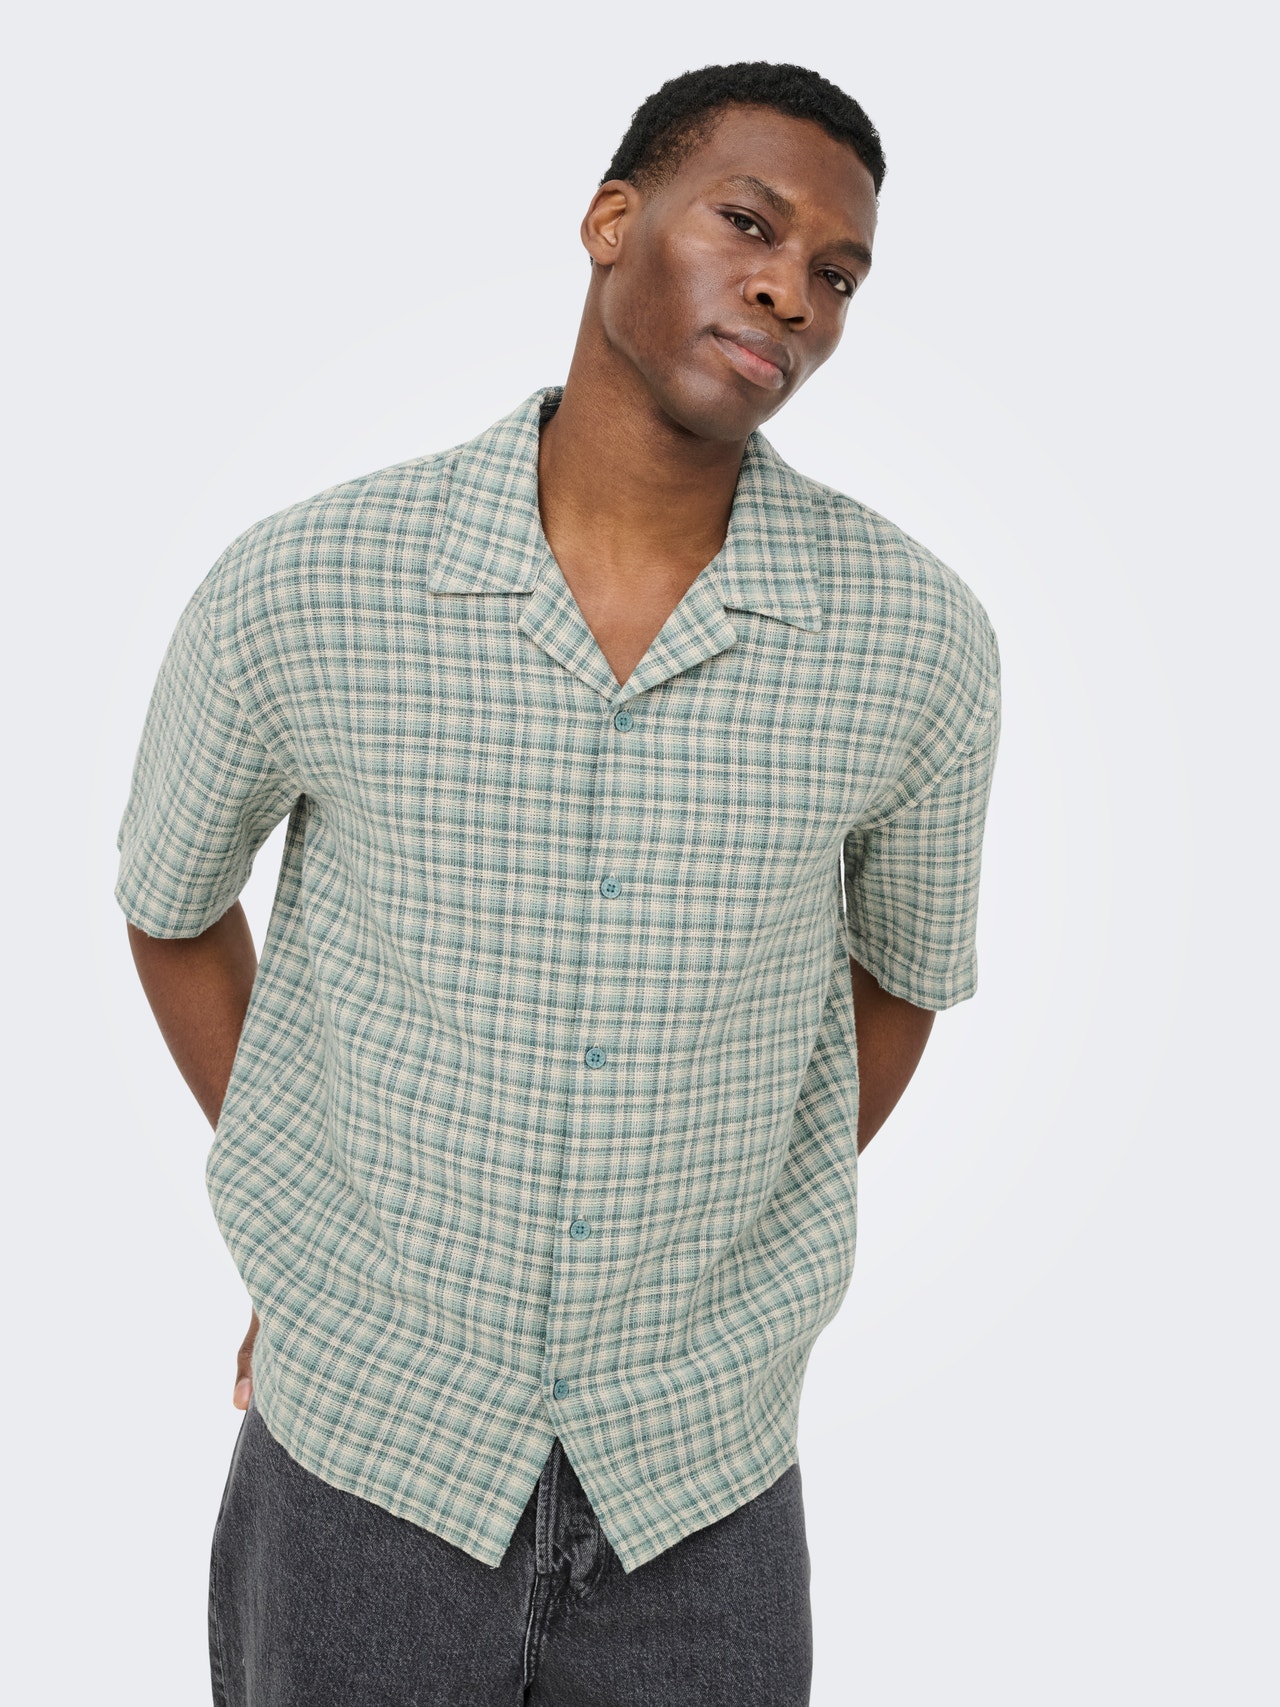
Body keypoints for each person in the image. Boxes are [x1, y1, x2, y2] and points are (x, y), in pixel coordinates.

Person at [116, 60, 1002, 1707]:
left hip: (701, 1479)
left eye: (838, 275)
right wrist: (341, 1233)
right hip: (365, 1454)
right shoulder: (310, 583)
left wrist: (699, 1241)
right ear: (611, 221)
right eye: (751, 225)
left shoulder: (914, 641)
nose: (790, 293)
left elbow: (898, 983)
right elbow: (172, 908)